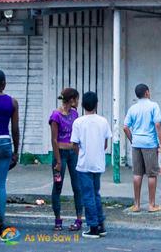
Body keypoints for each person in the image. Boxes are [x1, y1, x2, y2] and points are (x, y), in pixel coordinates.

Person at [70, 91, 112, 239]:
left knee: (87, 195)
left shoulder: (78, 122)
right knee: (96, 194)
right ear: (96, 104)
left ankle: (93, 226)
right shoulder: (103, 121)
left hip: (84, 163)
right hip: (98, 162)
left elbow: (74, 144)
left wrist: (81, 153)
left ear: (82, 105)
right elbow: (105, 143)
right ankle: (100, 224)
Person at [123, 84, 161, 213]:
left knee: (137, 174)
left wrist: (132, 139)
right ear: (147, 92)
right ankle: (151, 205)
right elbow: (157, 124)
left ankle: (136, 205)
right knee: (152, 174)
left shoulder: (132, 108)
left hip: (136, 143)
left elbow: (125, 127)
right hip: (149, 144)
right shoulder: (153, 106)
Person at [49, 88, 83, 231]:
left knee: (78, 187)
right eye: (77, 99)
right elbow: (54, 140)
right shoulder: (55, 116)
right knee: (58, 187)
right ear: (72, 100)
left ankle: (79, 218)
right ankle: (57, 218)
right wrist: (57, 161)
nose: (78, 102)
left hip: (73, 153)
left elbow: (76, 137)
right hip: (60, 153)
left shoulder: (74, 114)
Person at [0, 70, 19, 236]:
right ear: (4, 84)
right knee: (0, 185)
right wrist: (16, 151)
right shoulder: (12, 102)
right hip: (4, 142)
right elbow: (15, 129)